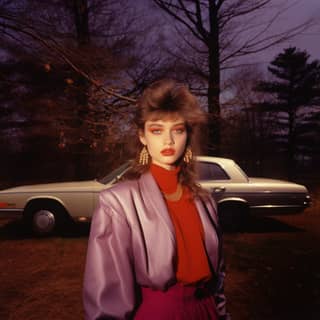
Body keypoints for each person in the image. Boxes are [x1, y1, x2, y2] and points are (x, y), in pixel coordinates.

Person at [83, 79, 230, 320]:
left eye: (178, 130)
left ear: (188, 136)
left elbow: (219, 277)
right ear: (142, 136)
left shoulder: (204, 200)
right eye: (157, 129)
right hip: (158, 313)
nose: (169, 141)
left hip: (207, 312)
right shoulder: (118, 202)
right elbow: (106, 294)